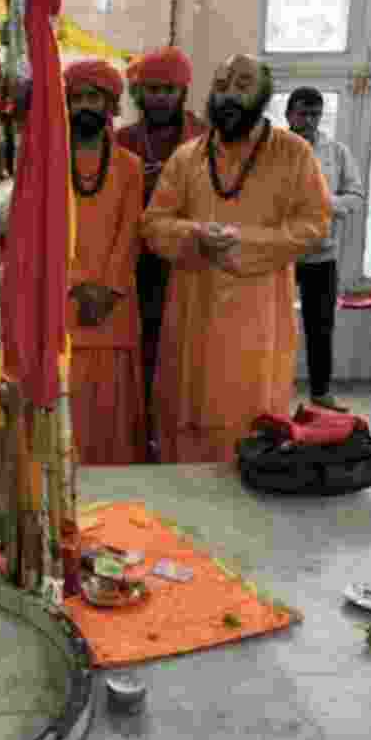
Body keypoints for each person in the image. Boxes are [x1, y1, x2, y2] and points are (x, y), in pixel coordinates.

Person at [142, 55, 331, 464]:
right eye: (222, 83)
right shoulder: (187, 157)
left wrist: (242, 243)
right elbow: (154, 224)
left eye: (242, 84)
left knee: (250, 423)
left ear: (263, 94)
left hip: (259, 321)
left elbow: (315, 225)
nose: (229, 93)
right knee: (186, 429)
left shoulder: (293, 153)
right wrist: (195, 237)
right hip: (194, 313)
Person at [113, 46, 209, 459]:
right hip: (136, 264)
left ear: (183, 90)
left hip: (190, 263)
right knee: (144, 351)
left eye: (168, 89)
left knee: (189, 354)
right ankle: (144, 437)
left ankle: (183, 437)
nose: (159, 98)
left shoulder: (206, 138)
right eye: (151, 89)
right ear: (137, 93)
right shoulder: (121, 141)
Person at [62, 60, 147, 465]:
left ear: (111, 104)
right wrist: (77, 285)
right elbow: (48, 234)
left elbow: (131, 233)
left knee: (112, 410)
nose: (84, 106)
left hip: (114, 304)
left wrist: (108, 288)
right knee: (68, 407)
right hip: (67, 303)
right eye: (76, 98)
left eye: (93, 97)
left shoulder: (130, 167)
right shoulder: (47, 164)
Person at [286, 87, 366, 412]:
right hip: (281, 254)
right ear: (289, 114)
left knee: (320, 326)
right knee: (275, 324)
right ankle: (272, 387)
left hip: (322, 254)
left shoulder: (337, 152)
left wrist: (327, 204)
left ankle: (320, 392)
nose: (308, 120)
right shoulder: (275, 149)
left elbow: (357, 196)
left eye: (315, 114)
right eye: (303, 113)